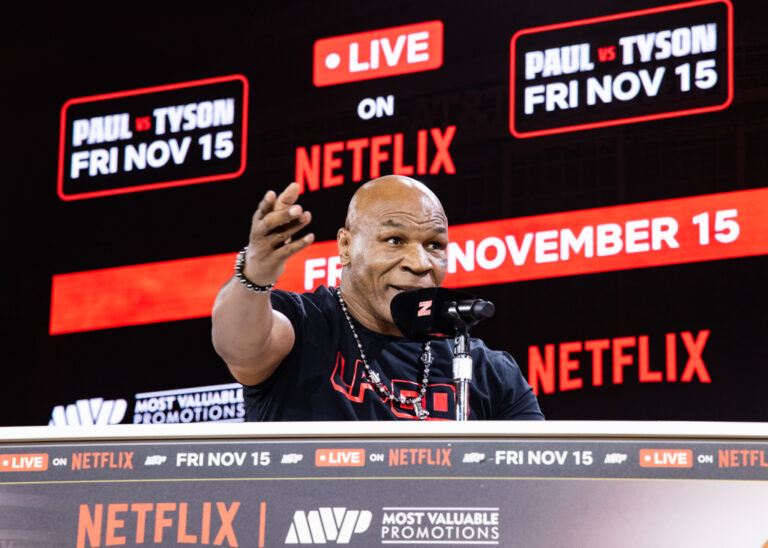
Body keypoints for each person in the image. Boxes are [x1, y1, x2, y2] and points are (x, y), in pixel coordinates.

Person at [212, 175, 544, 421]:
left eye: (435, 245)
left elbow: (540, 480)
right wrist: (253, 274)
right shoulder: (304, 324)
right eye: (394, 240)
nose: (420, 263)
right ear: (345, 247)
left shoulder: (489, 371)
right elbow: (239, 346)